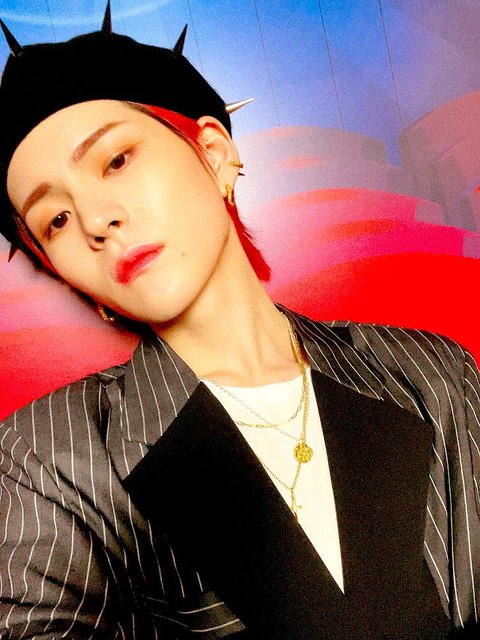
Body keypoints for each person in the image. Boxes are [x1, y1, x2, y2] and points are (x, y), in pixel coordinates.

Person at [0, 5, 479, 639]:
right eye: (55, 220)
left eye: (116, 160)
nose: (95, 221)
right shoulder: (46, 459)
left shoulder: (432, 373)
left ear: (213, 153)